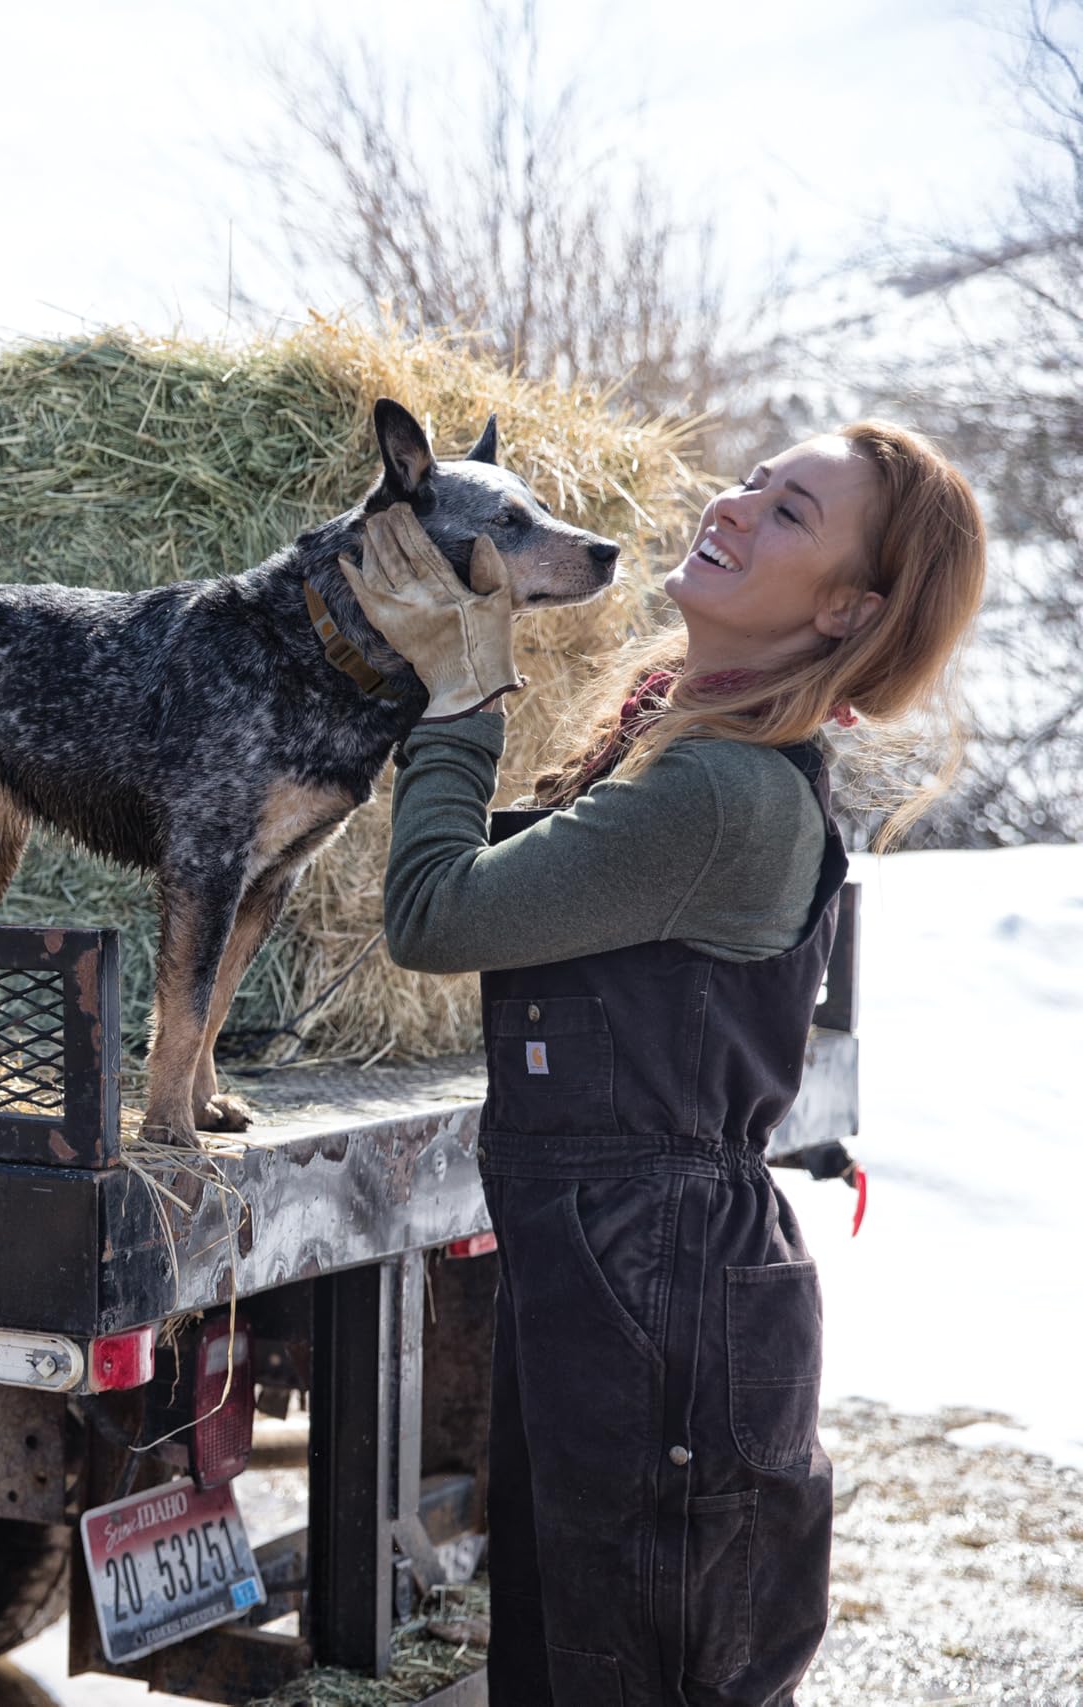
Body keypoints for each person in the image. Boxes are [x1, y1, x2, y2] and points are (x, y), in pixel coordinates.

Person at [338, 423, 985, 1705]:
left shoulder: (721, 793)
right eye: (753, 479)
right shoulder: (693, 751)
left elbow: (437, 915)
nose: (734, 506)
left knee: (637, 1677)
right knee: (575, 1665)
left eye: (789, 512)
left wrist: (459, 697)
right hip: (629, 1279)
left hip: (659, 1293)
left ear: (846, 608)